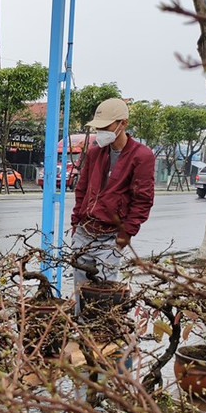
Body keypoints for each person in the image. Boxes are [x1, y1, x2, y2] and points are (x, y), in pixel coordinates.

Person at [70, 98, 155, 309]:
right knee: (81, 293)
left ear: (122, 123)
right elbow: (82, 190)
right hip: (84, 231)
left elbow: (143, 200)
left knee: (103, 296)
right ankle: (80, 325)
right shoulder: (95, 153)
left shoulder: (141, 156)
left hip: (111, 237)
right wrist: (75, 224)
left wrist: (126, 234)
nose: (100, 132)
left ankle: (101, 327)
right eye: (98, 127)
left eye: (105, 127)